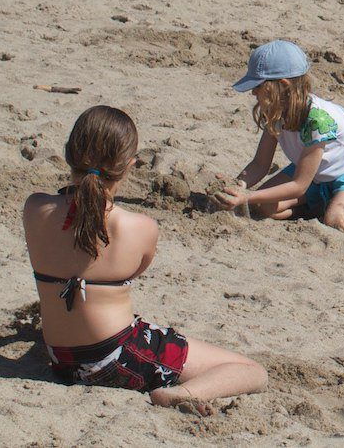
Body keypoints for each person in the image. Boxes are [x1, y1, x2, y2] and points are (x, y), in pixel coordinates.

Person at [24, 106, 267, 413]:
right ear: (129, 165)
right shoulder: (138, 227)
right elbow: (136, 268)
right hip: (115, 357)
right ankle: (181, 393)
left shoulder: (34, 208)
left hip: (61, 358)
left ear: (69, 153)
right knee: (251, 371)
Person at [214, 41, 344, 233]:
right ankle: (320, 204)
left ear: (283, 86)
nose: (253, 92)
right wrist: (237, 186)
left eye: (258, 86)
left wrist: (247, 196)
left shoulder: (317, 119)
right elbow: (260, 164)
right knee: (264, 207)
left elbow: (299, 185)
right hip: (313, 172)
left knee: (338, 222)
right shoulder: (275, 112)